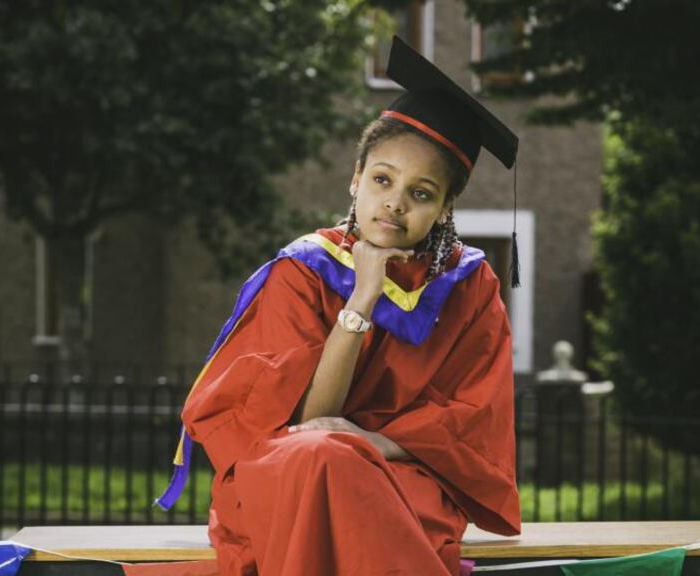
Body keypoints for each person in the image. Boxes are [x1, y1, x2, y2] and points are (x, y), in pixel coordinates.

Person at [161, 36, 521, 575]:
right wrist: (363, 296)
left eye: (422, 194)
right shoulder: (303, 270)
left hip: (404, 475)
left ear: (446, 208)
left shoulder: (469, 286)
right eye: (382, 180)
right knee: (321, 459)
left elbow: (471, 420)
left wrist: (371, 441)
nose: (395, 202)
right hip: (291, 473)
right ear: (355, 182)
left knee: (338, 464)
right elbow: (309, 422)